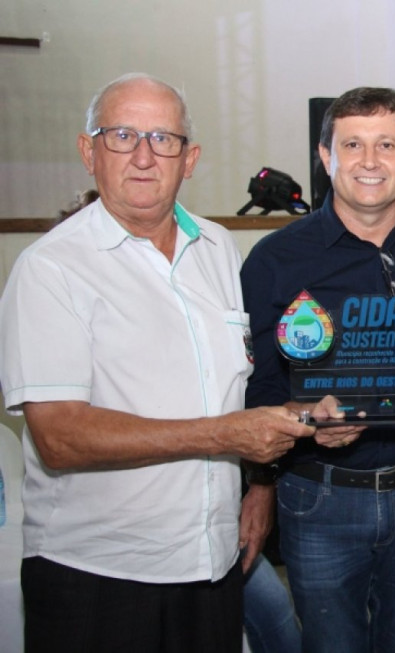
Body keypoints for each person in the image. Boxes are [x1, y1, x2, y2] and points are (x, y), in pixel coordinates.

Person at [0, 73, 316, 652]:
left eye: (163, 139)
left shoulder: (219, 249)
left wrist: (260, 488)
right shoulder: (51, 269)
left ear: (189, 158)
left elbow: (233, 389)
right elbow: (60, 437)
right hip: (97, 575)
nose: (144, 156)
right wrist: (227, 434)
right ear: (87, 150)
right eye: (121, 135)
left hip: (210, 565)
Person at [240, 87, 395, 653]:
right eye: (353, 145)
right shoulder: (275, 259)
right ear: (326, 157)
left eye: (387, 144)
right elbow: (254, 390)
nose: (370, 161)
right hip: (318, 498)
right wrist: (301, 421)